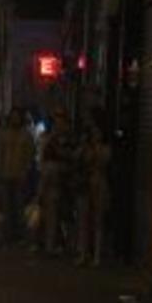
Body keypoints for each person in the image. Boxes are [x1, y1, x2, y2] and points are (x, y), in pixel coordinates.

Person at [0, 109, 35, 243]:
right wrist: (0, 170)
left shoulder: (26, 135)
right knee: (7, 206)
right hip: (6, 173)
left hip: (20, 174)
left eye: (17, 117)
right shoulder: (5, 134)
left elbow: (30, 155)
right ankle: (7, 234)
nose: (15, 120)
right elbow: (0, 153)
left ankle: (19, 234)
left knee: (19, 206)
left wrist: (27, 171)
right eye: (13, 117)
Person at [76, 125, 111, 266]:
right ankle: (83, 253)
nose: (96, 135)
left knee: (98, 221)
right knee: (84, 221)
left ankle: (96, 255)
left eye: (98, 133)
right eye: (94, 133)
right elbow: (77, 157)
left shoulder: (105, 149)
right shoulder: (85, 148)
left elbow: (104, 161)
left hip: (99, 185)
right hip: (85, 185)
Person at [37, 108, 70, 254]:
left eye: (61, 122)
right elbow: (43, 158)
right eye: (57, 122)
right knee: (51, 213)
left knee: (62, 214)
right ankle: (50, 244)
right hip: (51, 179)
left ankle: (60, 243)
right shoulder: (48, 138)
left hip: (66, 180)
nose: (59, 125)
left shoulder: (69, 139)